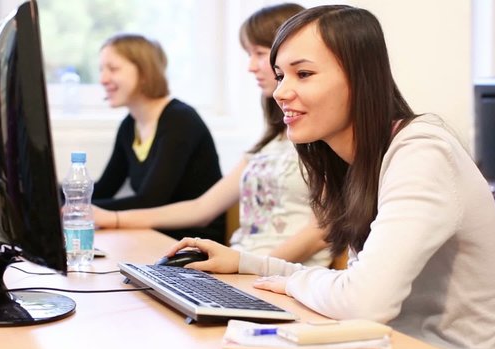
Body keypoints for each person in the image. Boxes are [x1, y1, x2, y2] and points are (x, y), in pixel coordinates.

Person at [164, 5, 495, 349]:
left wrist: (292, 281)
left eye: (304, 74)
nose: (281, 92)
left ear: (360, 79)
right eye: (281, 75)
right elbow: (357, 288)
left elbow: (365, 301)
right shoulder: (356, 160)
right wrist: (245, 263)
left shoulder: (422, 153)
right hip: (380, 347)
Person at [94, 4, 332, 267]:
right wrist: (111, 218)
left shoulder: (322, 136)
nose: (251, 66)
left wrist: (246, 266)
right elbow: (202, 208)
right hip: (244, 267)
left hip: (277, 275)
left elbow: (322, 231)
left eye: (259, 53)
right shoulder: (269, 141)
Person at [95, 34, 225, 243]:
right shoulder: (129, 125)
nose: (103, 79)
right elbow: (104, 188)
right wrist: (60, 202)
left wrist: (78, 209)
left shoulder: (180, 120)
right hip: (153, 235)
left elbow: (151, 200)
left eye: (113, 69)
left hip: (190, 243)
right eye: (101, 69)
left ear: (145, 72)